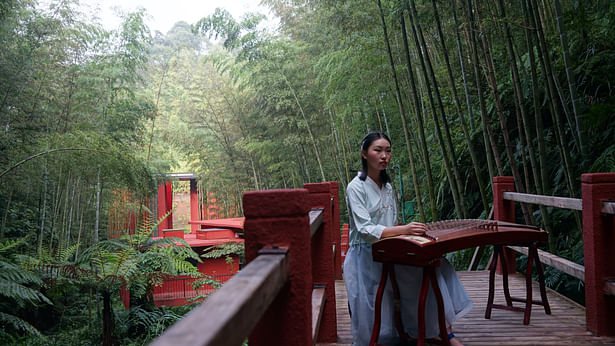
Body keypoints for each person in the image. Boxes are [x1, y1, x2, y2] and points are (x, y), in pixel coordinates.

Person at [343, 131, 473, 346]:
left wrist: (408, 234)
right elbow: (366, 230)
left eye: (388, 151)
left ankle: (441, 330)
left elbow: (391, 224)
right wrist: (405, 229)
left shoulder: (388, 186)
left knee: (438, 266)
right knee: (421, 273)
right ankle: (436, 331)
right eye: (378, 150)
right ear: (364, 154)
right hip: (366, 255)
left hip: (389, 249)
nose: (384, 156)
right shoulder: (355, 186)